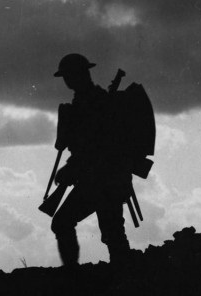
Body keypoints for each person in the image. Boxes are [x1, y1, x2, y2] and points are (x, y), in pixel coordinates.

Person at [50, 54, 132, 266]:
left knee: (68, 224)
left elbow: (94, 146)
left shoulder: (93, 102)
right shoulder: (89, 100)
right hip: (104, 179)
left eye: (69, 75)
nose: (67, 80)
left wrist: (70, 168)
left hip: (102, 180)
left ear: (80, 74)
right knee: (113, 232)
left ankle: (76, 276)